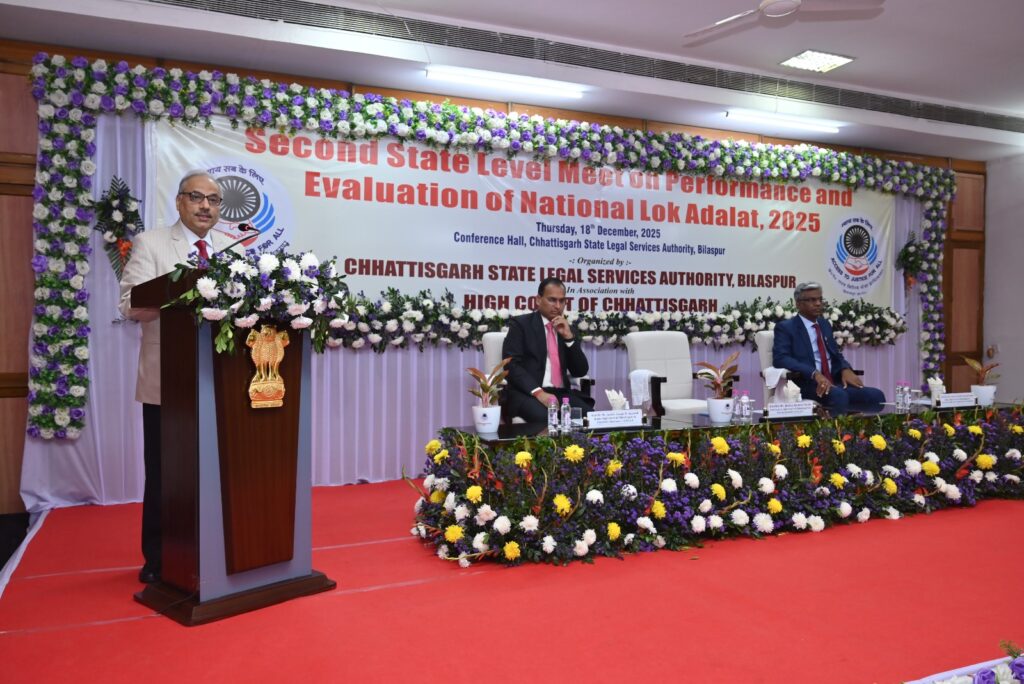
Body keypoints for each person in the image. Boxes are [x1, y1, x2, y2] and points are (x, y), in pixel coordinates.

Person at [118, 170, 238, 584]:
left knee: (219, 471)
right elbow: (129, 304)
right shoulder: (151, 243)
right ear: (180, 202)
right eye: (196, 197)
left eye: (213, 200)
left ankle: (217, 550)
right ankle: (160, 558)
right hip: (168, 382)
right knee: (167, 474)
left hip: (224, 381)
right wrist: (182, 291)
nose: (206, 206)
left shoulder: (230, 250)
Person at [772, 282, 885, 412]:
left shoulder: (824, 324)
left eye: (820, 299)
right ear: (798, 304)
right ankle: (834, 426)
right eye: (812, 300)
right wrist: (814, 373)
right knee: (839, 397)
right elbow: (780, 358)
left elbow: (835, 354)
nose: (818, 303)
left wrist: (845, 369)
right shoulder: (786, 328)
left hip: (834, 381)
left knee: (876, 396)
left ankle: (860, 426)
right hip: (808, 384)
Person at [501, 277, 595, 423]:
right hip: (529, 393)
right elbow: (511, 365)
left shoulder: (567, 328)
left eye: (562, 301)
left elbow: (580, 371)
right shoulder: (521, 325)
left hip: (561, 394)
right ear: (538, 300)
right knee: (548, 418)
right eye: (552, 300)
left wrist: (569, 338)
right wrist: (538, 392)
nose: (558, 306)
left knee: (591, 418)